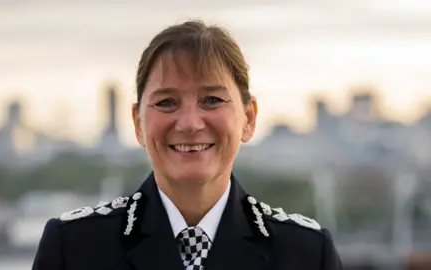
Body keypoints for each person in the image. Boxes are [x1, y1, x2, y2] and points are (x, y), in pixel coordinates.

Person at [32, 20, 344, 270]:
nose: (190, 123)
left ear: (248, 118)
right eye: (167, 102)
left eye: (212, 100)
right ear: (138, 122)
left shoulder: (305, 254)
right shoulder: (73, 248)